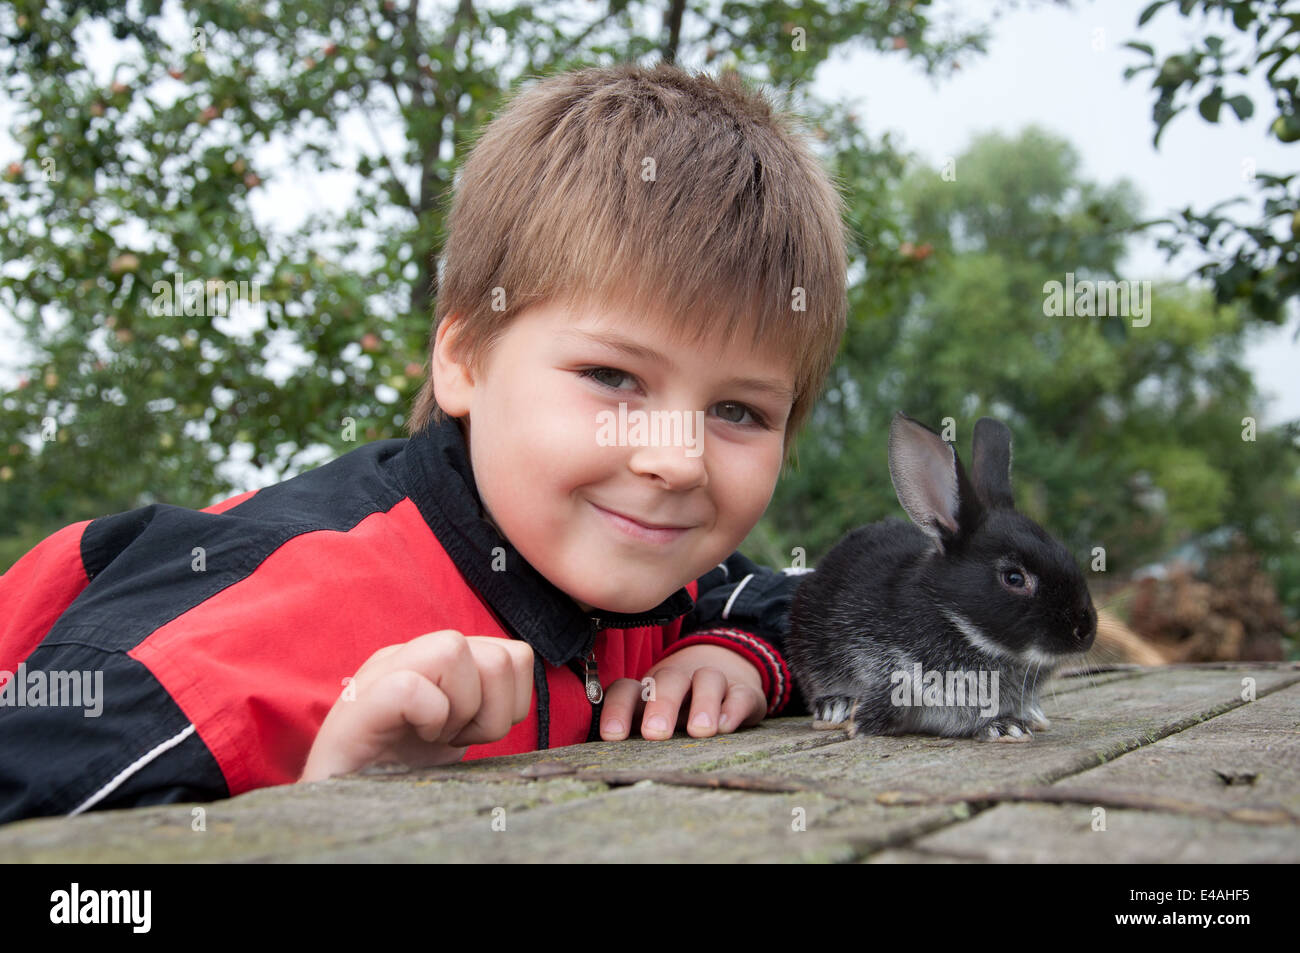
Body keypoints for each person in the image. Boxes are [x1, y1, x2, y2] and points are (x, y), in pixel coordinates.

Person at [0, 61, 848, 823]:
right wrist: (315, 818)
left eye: (739, 411)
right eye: (613, 377)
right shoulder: (253, 630)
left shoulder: (653, 582)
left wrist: (734, 654)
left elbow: (824, 606)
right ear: (464, 359)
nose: (678, 460)